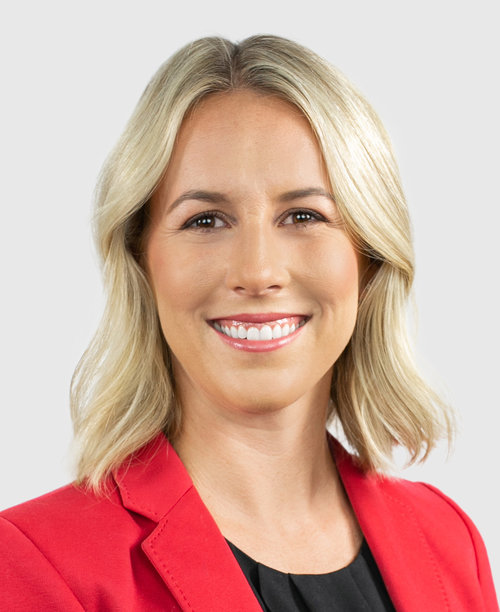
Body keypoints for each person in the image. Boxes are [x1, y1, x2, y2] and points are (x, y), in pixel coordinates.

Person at [0, 34, 497, 612]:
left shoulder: (449, 540)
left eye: (304, 215)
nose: (258, 272)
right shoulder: (36, 562)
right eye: (206, 220)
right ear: (142, 260)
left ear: (368, 256)